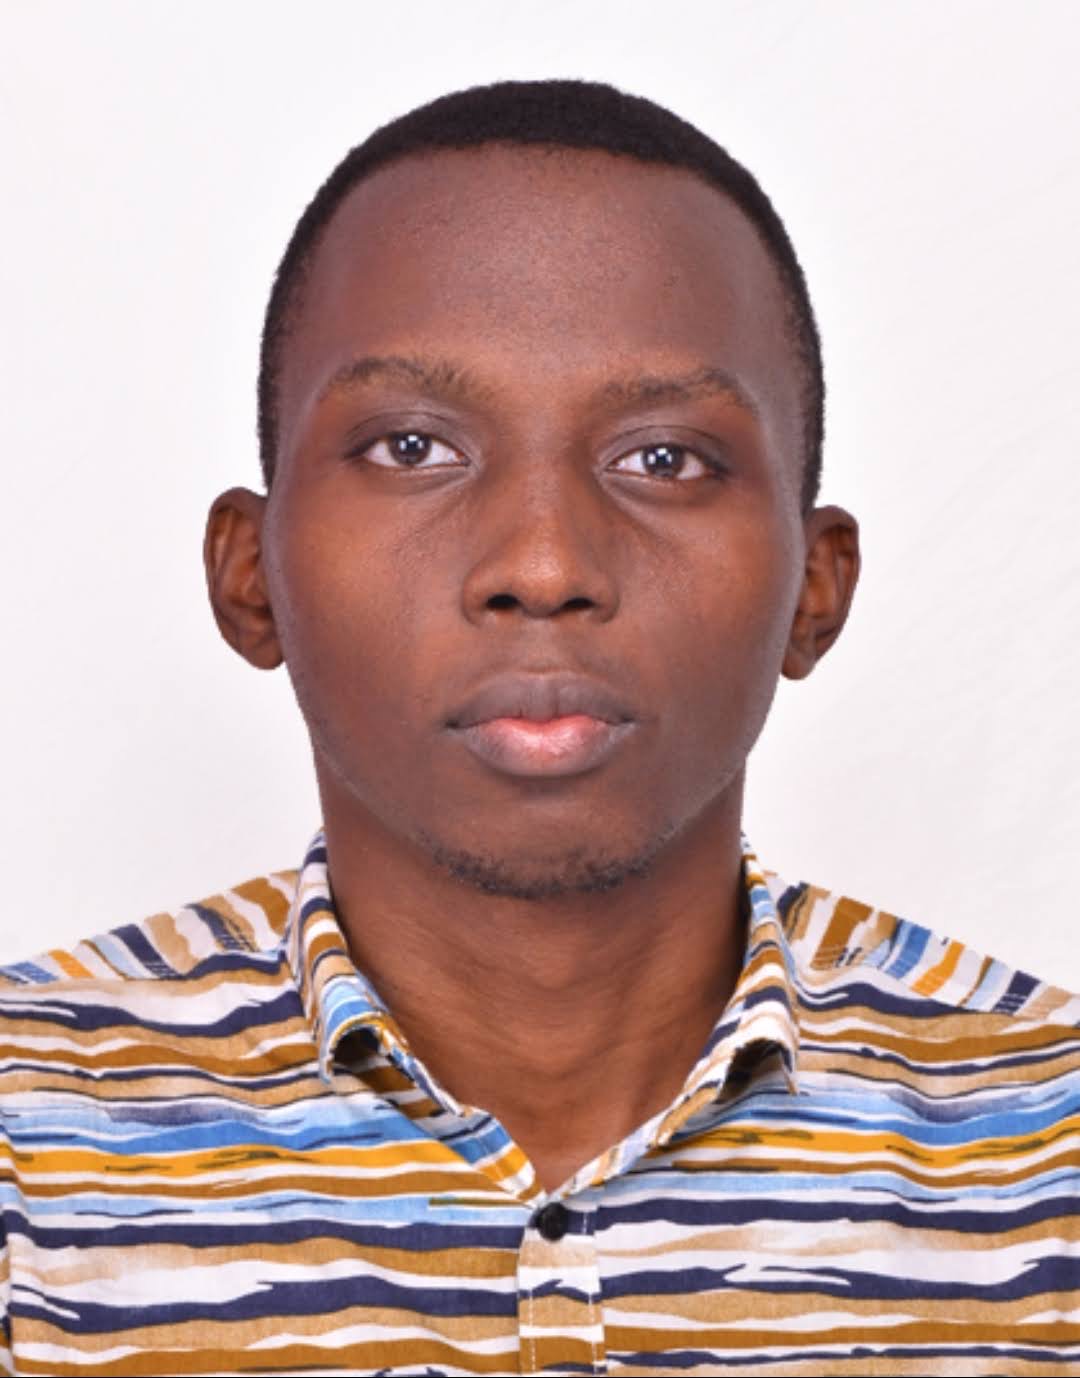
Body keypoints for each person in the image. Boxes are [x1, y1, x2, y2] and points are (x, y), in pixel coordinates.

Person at [0, 79, 1076, 1378]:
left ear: (815, 587)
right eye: (412, 447)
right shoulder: (25, 1141)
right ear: (252, 575)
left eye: (664, 458)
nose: (545, 564)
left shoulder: (1054, 1149)